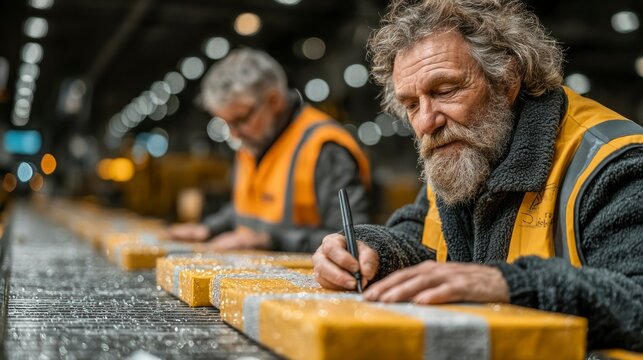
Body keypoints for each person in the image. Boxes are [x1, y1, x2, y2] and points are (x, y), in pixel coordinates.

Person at [313, 0, 643, 352]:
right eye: (411, 104)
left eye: (445, 91)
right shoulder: (468, 152)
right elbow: (421, 234)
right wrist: (370, 249)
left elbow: (635, 304)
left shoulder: (614, 164)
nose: (426, 122)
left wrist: (507, 285)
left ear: (507, 79)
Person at [168, 48, 371, 252]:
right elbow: (247, 211)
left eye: (240, 120)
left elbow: (351, 240)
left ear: (274, 100)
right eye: (226, 123)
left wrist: (269, 241)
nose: (234, 134)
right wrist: (208, 229)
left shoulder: (324, 148)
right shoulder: (253, 143)